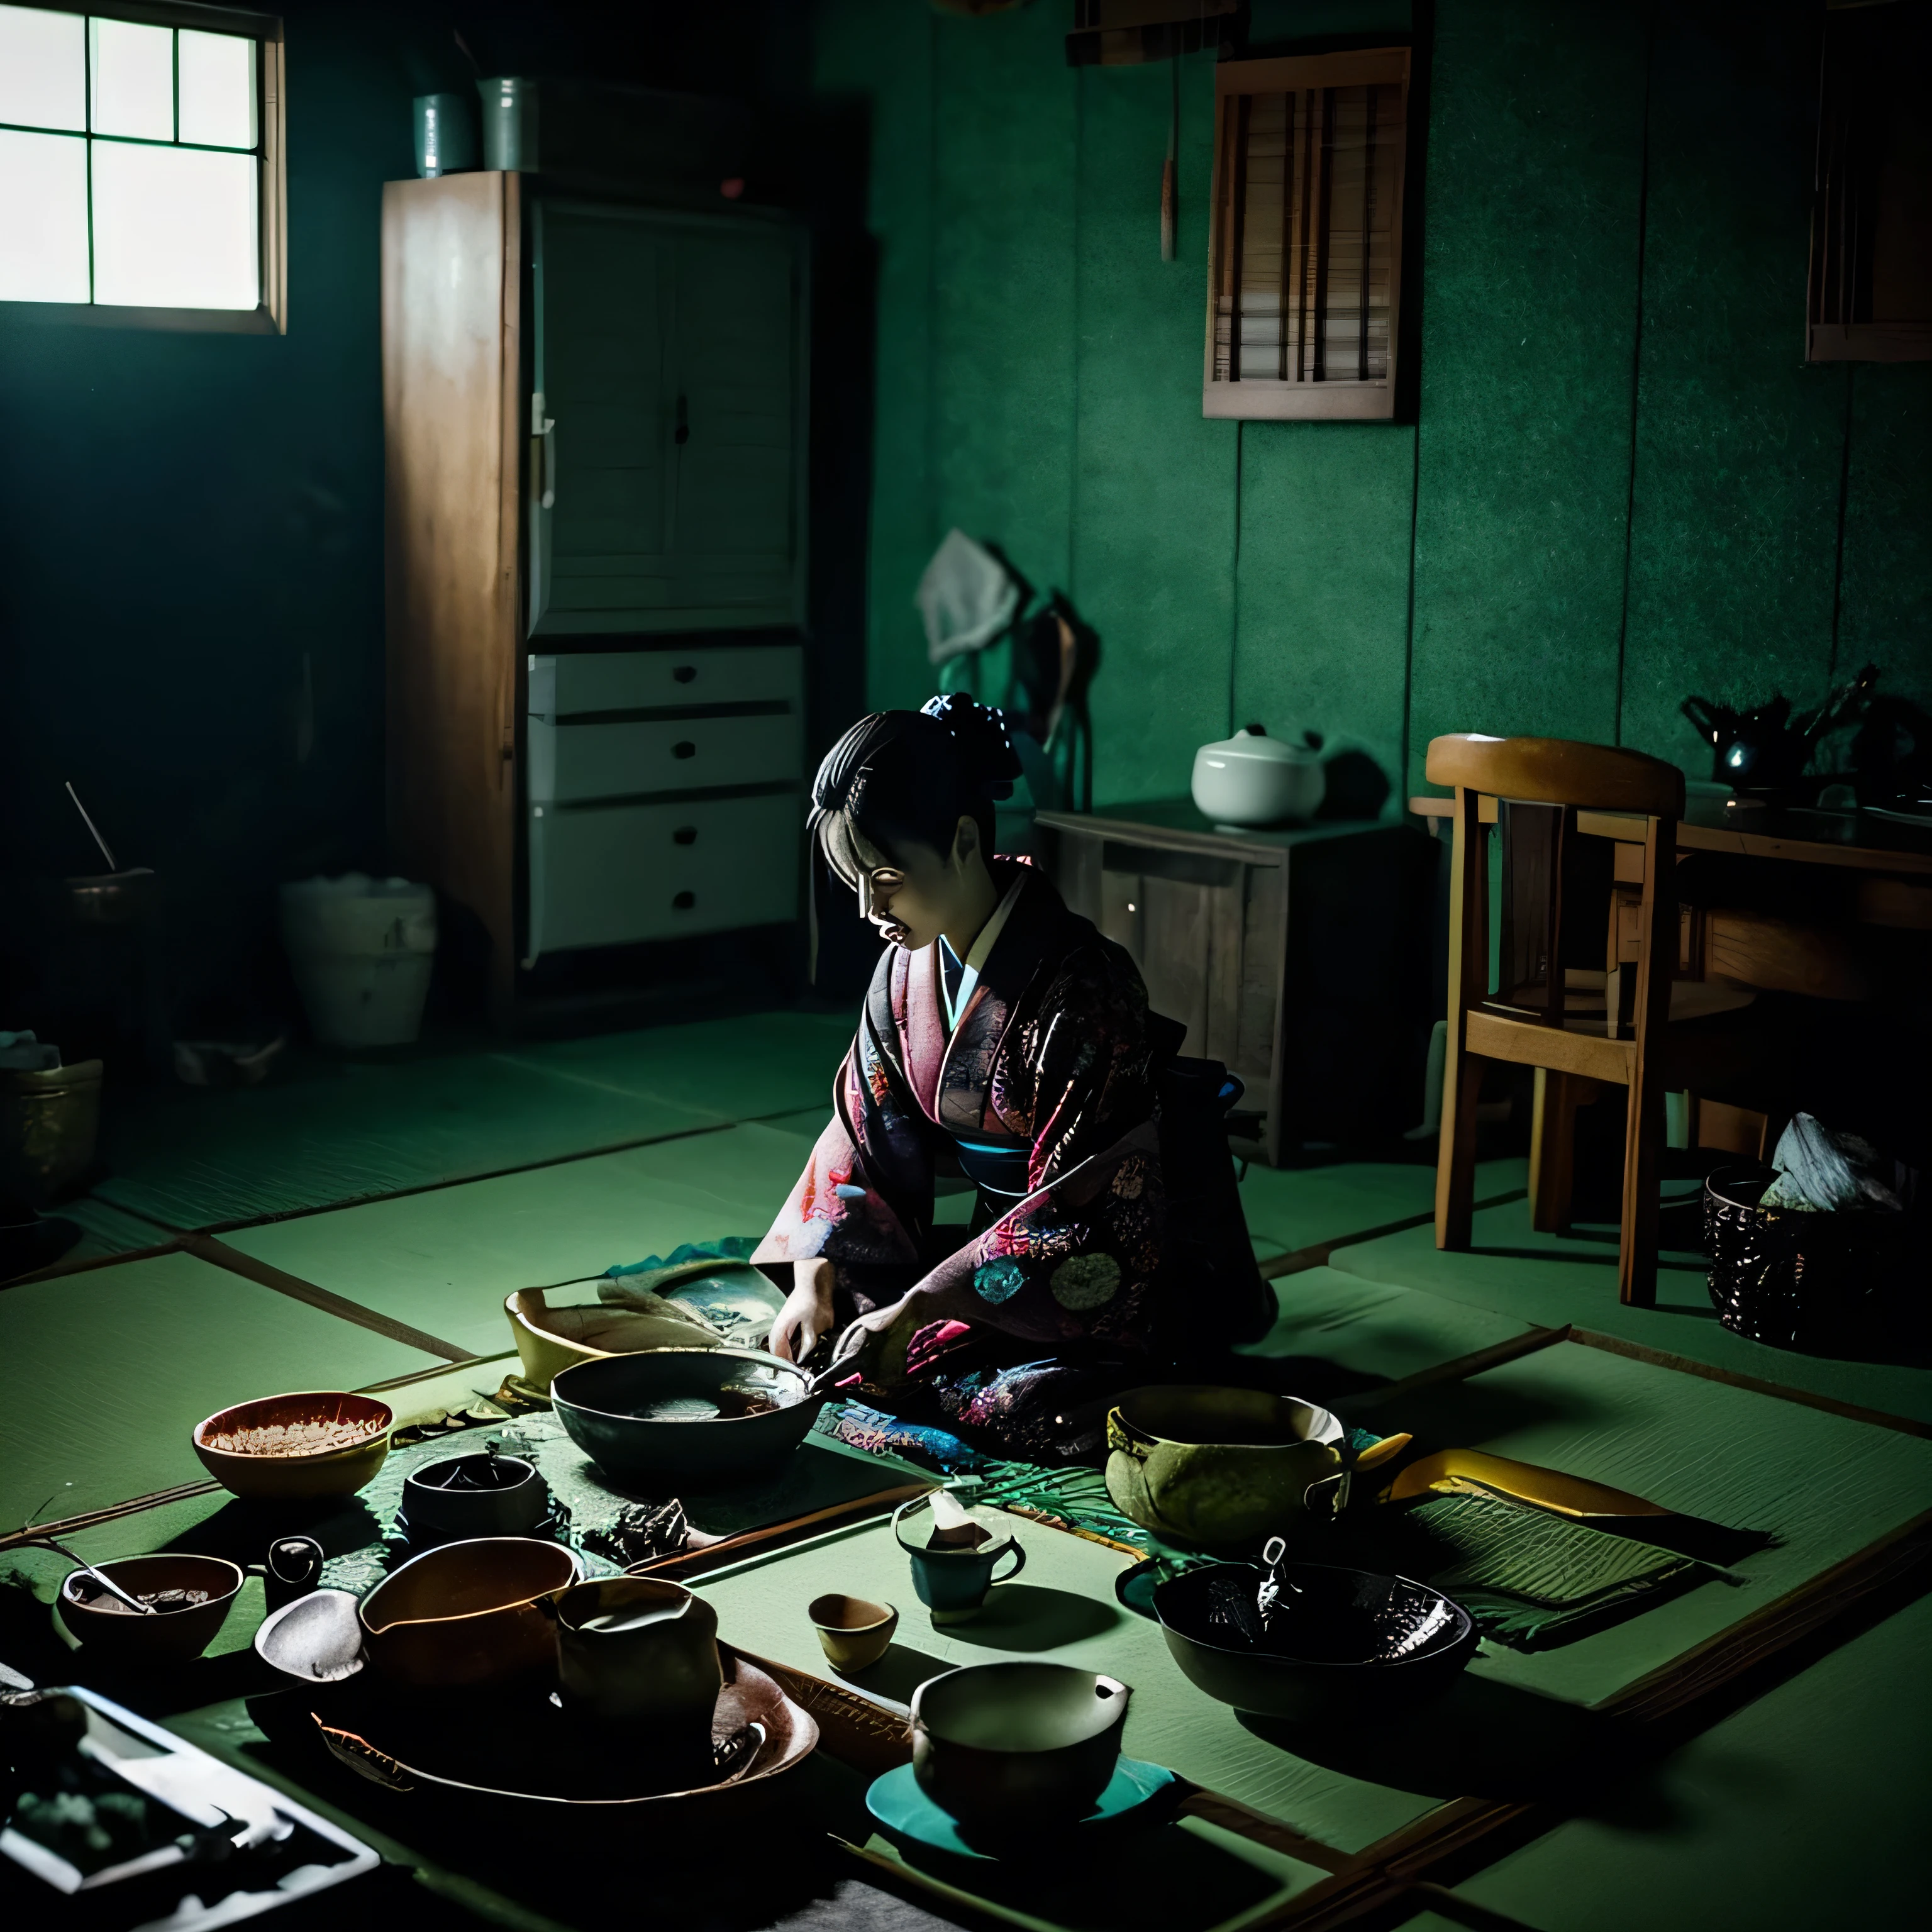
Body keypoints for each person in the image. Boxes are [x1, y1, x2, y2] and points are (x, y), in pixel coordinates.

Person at [752, 696, 1269, 1460]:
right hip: (984, 1261)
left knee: (1022, 1406)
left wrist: (925, 1304)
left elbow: (1087, 1209)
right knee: (836, 1334)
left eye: (886, 877)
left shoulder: (1084, 986)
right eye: (851, 881)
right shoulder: (902, 968)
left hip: (1086, 1265)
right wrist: (814, 1280)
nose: (869, 909)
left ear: (964, 841)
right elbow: (858, 1137)